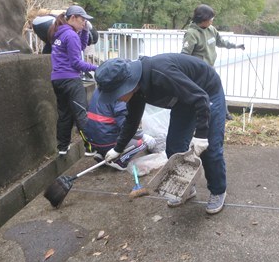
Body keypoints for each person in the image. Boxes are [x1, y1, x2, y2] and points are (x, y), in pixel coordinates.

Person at [95, 53, 228, 214]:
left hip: (207, 92)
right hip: (183, 100)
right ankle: (187, 187)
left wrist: (201, 134)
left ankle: (218, 190)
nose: (117, 99)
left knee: (211, 149)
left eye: (116, 94)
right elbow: (131, 121)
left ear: (128, 84)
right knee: (174, 147)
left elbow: (201, 98)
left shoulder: (161, 73)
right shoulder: (136, 90)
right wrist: (118, 148)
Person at [48, 5, 98, 156]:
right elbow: (77, 63)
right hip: (70, 80)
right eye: (82, 20)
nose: (84, 23)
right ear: (73, 18)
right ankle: (91, 148)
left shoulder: (60, 32)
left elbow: (80, 47)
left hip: (57, 80)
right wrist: (97, 68)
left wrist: (85, 31)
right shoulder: (70, 35)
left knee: (64, 114)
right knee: (81, 114)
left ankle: (62, 147)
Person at [181, 4, 245, 120]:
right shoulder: (191, 34)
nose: (211, 21)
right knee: (199, 94)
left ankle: (224, 113)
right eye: (210, 19)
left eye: (212, 19)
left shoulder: (211, 29)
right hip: (198, 71)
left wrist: (236, 46)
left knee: (217, 89)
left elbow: (220, 42)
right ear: (202, 19)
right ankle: (197, 117)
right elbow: (185, 55)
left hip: (210, 68)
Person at [84, 88, 155, 171]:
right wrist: (143, 136)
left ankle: (102, 154)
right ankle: (120, 161)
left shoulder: (97, 90)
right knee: (142, 143)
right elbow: (126, 125)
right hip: (107, 141)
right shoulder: (119, 95)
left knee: (106, 124)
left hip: (93, 141)